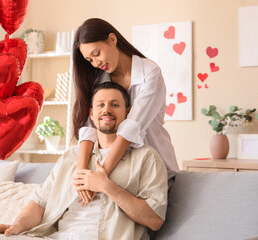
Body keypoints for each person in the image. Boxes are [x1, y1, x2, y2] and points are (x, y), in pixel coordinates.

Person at [0, 82, 168, 240]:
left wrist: (106, 186)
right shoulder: (72, 157)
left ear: (127, 112)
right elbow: (40, 202)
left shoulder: (146, 157)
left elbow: (155, 219)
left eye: (115, 105)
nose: (107, 110)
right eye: (100, 105)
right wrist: (15, 228)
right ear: (92, 113)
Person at [72, 18, 179, 205]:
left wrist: (102, 173)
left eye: (97, 54)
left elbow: (131, 127)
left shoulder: (149, 72)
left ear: (112, 39)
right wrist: (81, 176)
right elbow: (88, 127)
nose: (96, 63)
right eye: (90, 60)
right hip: (117, 170)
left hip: (153, 166)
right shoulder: (99, 81)